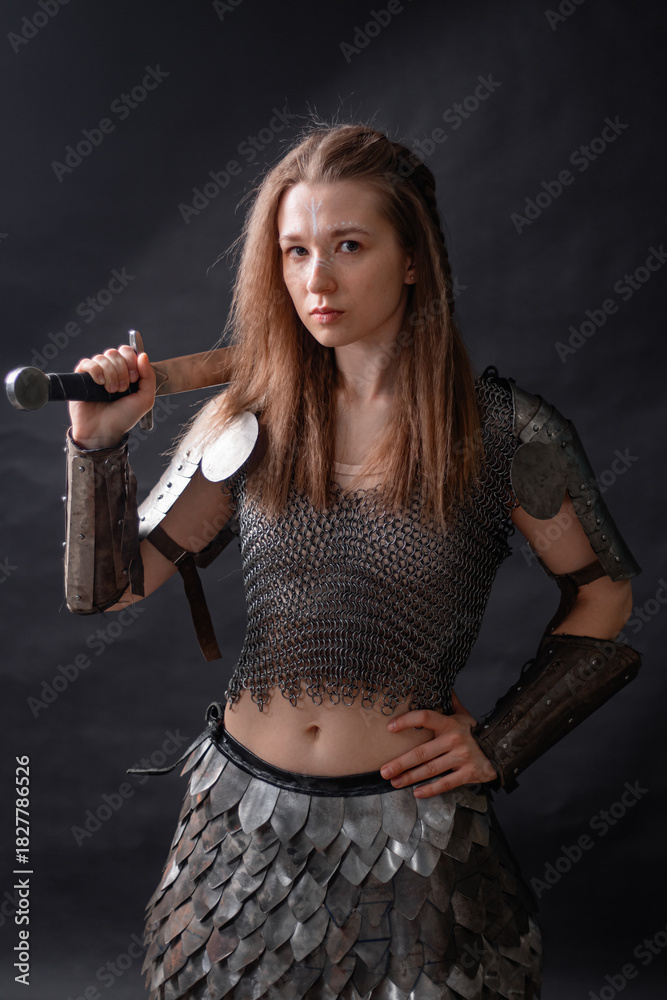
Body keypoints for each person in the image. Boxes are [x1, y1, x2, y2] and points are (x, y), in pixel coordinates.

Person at [63, 124, 640, 1000]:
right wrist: (99, 450)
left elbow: (603, 593)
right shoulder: (247, 419)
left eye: (347, 247)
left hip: (409, 836)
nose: (316, 281)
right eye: (294, 252)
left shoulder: (504, 435)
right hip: (239, 834)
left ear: (412, 259)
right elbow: (105, 595)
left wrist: (501, 741)